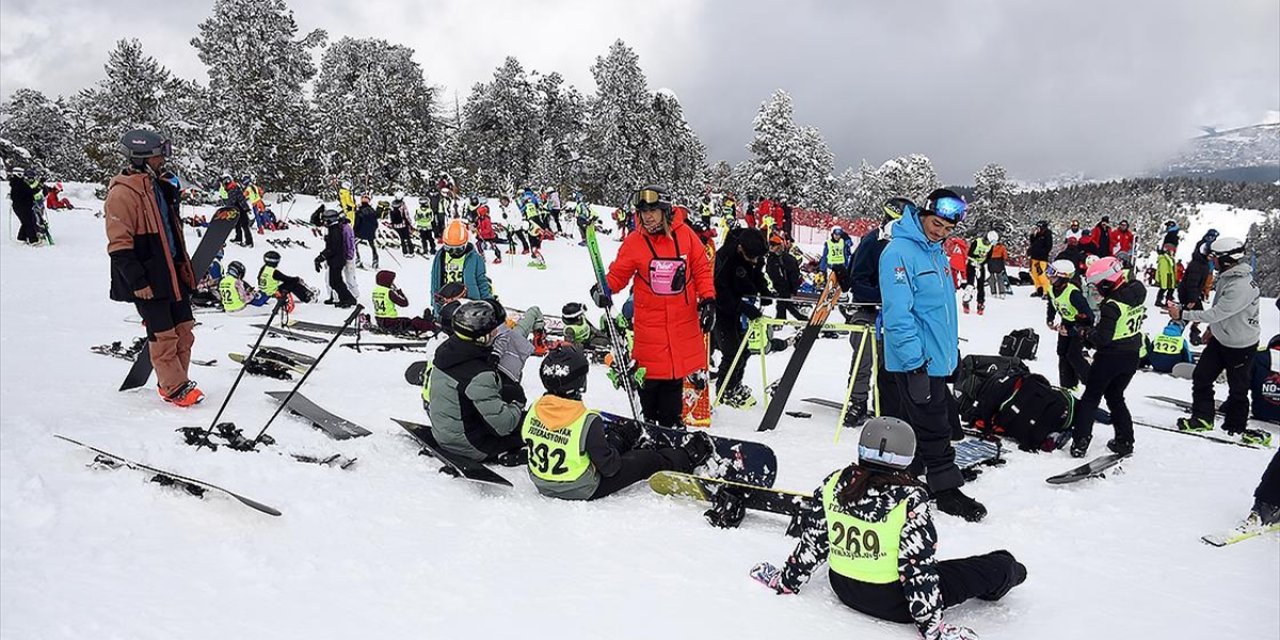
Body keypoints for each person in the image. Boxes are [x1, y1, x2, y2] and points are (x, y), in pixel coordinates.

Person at [749, 417, 1026, 640]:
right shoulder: (909, 500)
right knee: (998, 565)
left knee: (952, 570)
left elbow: (814, 541)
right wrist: (933, 629)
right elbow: (916, 569)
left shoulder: (834, 484)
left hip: (843, 587)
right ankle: (1010, 571)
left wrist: (785, 581)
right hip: (894, 601)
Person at [879, 188, 986, 521]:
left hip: (936, 358)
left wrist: (949, 355)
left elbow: (940, 309)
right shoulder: (898, 253)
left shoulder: (936, 252)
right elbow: (898, 315)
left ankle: (909, 475)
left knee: (918, 420)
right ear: (923, 214)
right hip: (915, 360)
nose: (941, 231)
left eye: (948, 228)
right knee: (935, 424)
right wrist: (914, 365)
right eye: (937, 223)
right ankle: (946, 489)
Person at [521, 345, 713, 500]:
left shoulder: (534, 410)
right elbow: (610, 468)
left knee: (599, 446)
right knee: (645, 459)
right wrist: (623, 449)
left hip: (542, 482)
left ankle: (622, 437)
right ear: (580, 382)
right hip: (580, 487)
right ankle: (688, 457)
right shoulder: (586, 421)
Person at [592, 185, 715, 427]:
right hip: (651, 330)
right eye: (642, 211)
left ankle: (671, 434)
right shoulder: (635, 242)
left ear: (666, 210)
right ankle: (649, 432)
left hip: (682, 326)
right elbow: (618, 275)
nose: (647, 216)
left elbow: (701, 269)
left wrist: (709, 299)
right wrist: (602, 289)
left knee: (672, 386)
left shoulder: (686, 236)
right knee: (649, 386)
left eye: (653, 210)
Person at [104, 129, 203, 406]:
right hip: (149, 277)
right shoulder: (122, 194)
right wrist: (137, 281)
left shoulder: (157, 186)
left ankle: (179, 380)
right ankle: (173, 388)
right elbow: (119, 245)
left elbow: (170, 231)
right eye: (160, 155)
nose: (164, 160)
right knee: (163, 336)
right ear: (142, 157)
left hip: (172, 272)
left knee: (184, 329)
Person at [1168, 237, 1267, 445]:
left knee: (1238, 388)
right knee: (1202, 377)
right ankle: (1202, 418)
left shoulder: (1241, 286)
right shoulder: (1227, 277)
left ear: (1227, 260)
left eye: (1215, 257)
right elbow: (1220, 311)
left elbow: (1218, 312)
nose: (1212, 260)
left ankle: (1235, 426)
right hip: (1221, 339)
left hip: (1241, 344)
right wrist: (1212, 330)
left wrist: (1182, 315)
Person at [1066, 256, 1147, 458]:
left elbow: (1102, 339)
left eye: (1096, 287)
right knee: (1115, 396)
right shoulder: (1136, 290)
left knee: (1090, 398)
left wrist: (1083, 332)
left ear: (1106, 282)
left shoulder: (1112, 305)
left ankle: (1080, 442)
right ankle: (1125, 440)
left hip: (1110, 357)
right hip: (1132, 355)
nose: (1096, 291)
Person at [428, 300, 527, 463]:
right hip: (470, 445)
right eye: (493, 330)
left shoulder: (447, 351)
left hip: (443, 432)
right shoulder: (479, 373)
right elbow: (504, 425)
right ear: (482, 337)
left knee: (505, 397)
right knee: (530, 423)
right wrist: (518, 402)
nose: (496, 333)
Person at [842, 197, 911, 428]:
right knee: (864, 357)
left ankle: (886, 404)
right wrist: (879, 297)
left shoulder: (908, 246)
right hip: (869, 310)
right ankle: (857, 402)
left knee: (890, 363)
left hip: (896, 315)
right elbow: (857, 280)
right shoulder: (872, 242)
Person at [713, 226, 771, 408]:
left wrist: (763, 290)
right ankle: (724, 390)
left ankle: (734, 384)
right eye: (751, 257)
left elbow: (756, 274)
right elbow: (720, 292)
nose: (755, 261)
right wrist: (742, 307)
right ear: (740, 249)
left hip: (740, 307)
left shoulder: (755, 253)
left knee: (744, 350)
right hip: (722, 310)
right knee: (732, 352)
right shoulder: (726, 258)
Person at [1045, 259, 1094, 391]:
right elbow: (1052, 303)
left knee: (1073, 354)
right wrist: (1050, 319)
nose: (1049, 276)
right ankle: (1068, 385)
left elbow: (1089, 316)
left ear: (1063, 278)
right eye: (1049, 272)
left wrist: (1073, 331)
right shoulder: (1052, 289)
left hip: (1080, 325)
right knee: (1062, 352)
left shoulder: (1073, 294)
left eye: (1053, 274)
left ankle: (1092, 382)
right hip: (1066, 323)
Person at [430, 220, 493, 313]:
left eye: (458, 249)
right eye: (449, 249)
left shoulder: (474, 258)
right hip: (447, 301)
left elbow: (481, 281)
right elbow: (435, 281)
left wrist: (488, 302)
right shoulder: (440, 257)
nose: (454, 253)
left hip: (468, 302)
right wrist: (435, 304)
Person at [371, 270, 438, 335]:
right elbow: (404, 303)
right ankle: (432, 326)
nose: (392, 283)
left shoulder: (375, 291)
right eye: (391, 281)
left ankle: (425, 322)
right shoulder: (388, 292)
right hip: (391, 322)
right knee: (413, 322)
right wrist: (399, 292)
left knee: (407, 320)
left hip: (380, 320)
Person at [314, 209, 357, 307]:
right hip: (335, 260)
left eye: (325, 220)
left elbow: (333, 248)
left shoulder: (335, 231)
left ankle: (349, 299)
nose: (324, 223)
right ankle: (344, 298)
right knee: (334, 282)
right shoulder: (333, 229)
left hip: (337, 260)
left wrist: (321, 257)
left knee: (335, 282)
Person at [1179, 231, 1214, 345]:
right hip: (1188, 294)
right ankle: (1178, 333)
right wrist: (1192, 299)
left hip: (1192, 294)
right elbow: (1192, 283)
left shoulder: (1203, 264)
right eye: (1210, 256)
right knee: (1188, 315)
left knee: (1195, 315)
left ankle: (1192, 333)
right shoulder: (1198, 265)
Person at [765, 231, 805, 321]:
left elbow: (793, 274)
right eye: (770, 245)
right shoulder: (772, 258)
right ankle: (785, 319)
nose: (771, 247)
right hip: (780, 286)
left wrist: (792, 288)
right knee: (783, 304)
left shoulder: (785, 259)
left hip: (785, 286)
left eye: (773, 245)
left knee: (784, 303)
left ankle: (798, 319)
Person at [7, 167, 44, 245]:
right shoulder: (18, 183)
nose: (23, 175)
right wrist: (39, 187)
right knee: (29, 222)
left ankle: (21, 238)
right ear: (17, 174)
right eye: (22, 174)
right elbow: (29, 192)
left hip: (22, 206)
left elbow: (27, 192)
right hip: (22, 206)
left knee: (26, 222)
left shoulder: (18, 182)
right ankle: (33, 240)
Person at [219, 174, 253, 247]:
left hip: (241, 209)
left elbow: (232, 201)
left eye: (223, 184)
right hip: (238, 209)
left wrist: (227, 209)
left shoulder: (232, 189)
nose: (223, 186)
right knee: (237, 224)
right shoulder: (233, 187)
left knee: (244, 225)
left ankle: (249, 242)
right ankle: (238, 238)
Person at [819, 225, 854, 290]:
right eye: (835, 234)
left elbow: (846, 254)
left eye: (839, 234)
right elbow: (825, 256)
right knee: (831, 283)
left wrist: (847, 267)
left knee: (842, 283)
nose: (837, 236)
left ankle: (841, 294)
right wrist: (822, 269)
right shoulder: (828, 243)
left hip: (841, 267)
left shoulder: (843, 243)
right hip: (831, 267)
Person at [1027, 220, 1053, 298]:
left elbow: (1048, 247)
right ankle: (1039, 290)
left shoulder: (1047, 235)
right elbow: (1033, 243)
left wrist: (1041, 252)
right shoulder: (1038, 235)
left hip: (1042, 258)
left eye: (1038, 227)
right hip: (1034, 258)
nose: (1037, 229)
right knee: (1034, 274)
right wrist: (1032, 235)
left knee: (1042, 275)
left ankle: (1047, 291)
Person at [353, 194, 379, 269]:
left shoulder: (359, 212)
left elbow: (357, 223)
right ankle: (375, 260)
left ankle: (358, 259)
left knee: (354, 245)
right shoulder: (373, 211)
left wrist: (354, 231)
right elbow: (376, 223)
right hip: (371, 233)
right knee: (372, 245)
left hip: (361, 233)